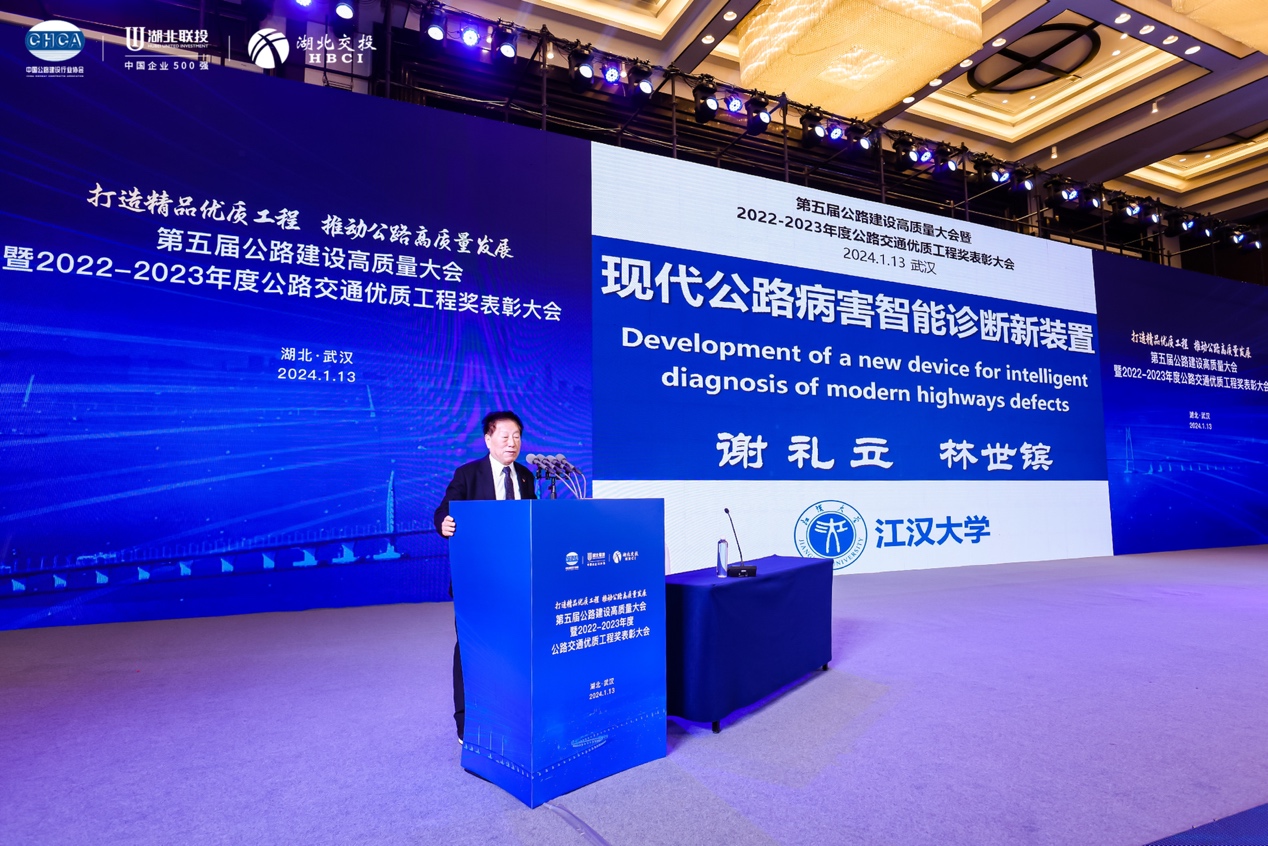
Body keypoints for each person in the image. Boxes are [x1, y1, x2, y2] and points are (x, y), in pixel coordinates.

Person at [433, 410, 537, 743]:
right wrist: (443, 523)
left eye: (517, 436)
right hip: (478, 581)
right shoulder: (468, 474)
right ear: (488, 439)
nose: (512, 443)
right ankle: (466, 722)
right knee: (471, 648)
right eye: (505, 436)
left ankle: (510, 712)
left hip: (518, 580)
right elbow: (445, 509)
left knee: (514, 647)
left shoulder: (526, 476)